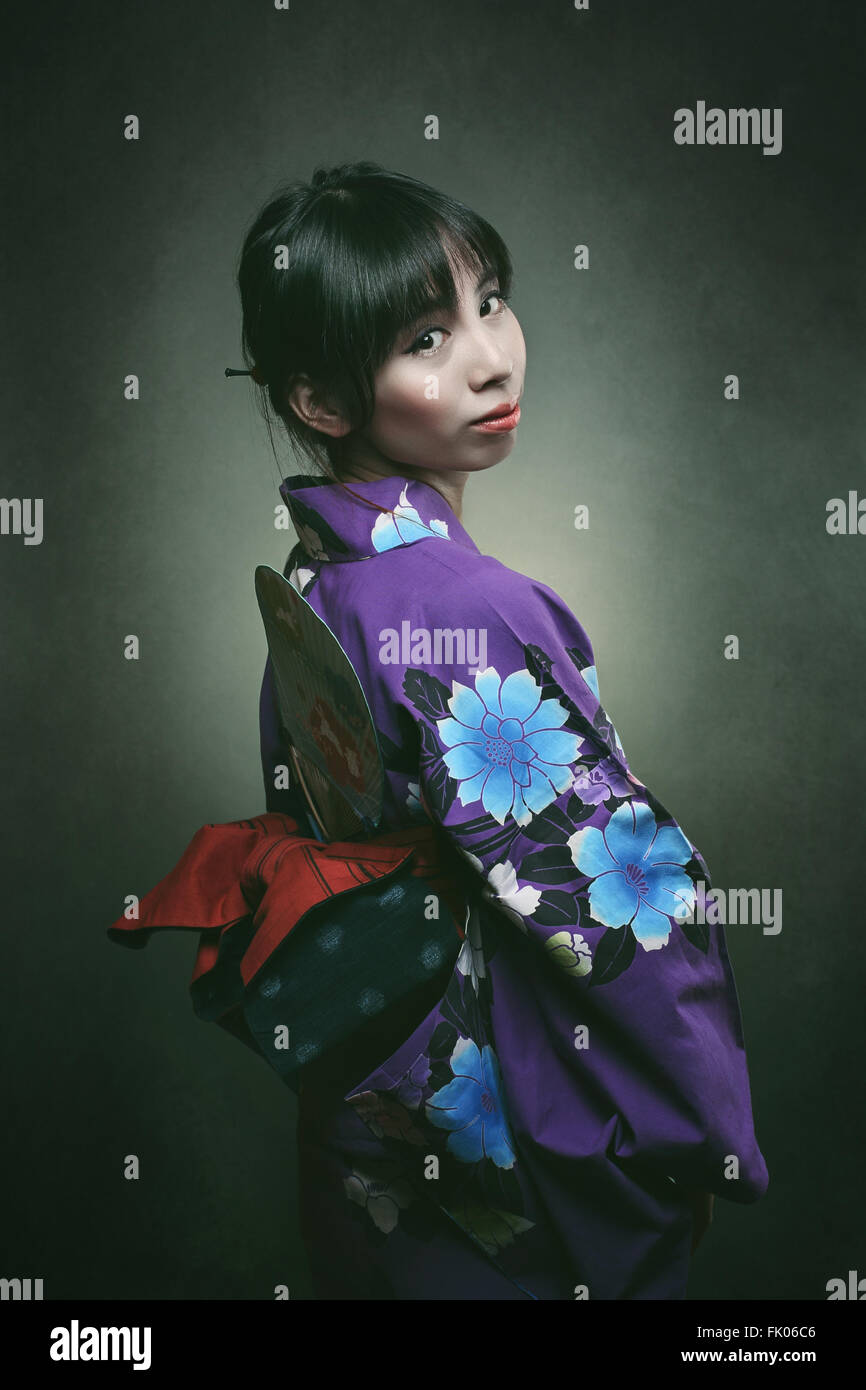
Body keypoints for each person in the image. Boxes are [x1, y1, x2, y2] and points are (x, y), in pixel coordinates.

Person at [241, 161, 768, 1299]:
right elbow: (615, 907)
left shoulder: (319, 588)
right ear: (321, 402)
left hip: (380, 1122)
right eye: (423, 338)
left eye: (489, 301)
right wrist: (697, 1130)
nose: (491, 356)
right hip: (523, 1134)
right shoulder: (460, 607)